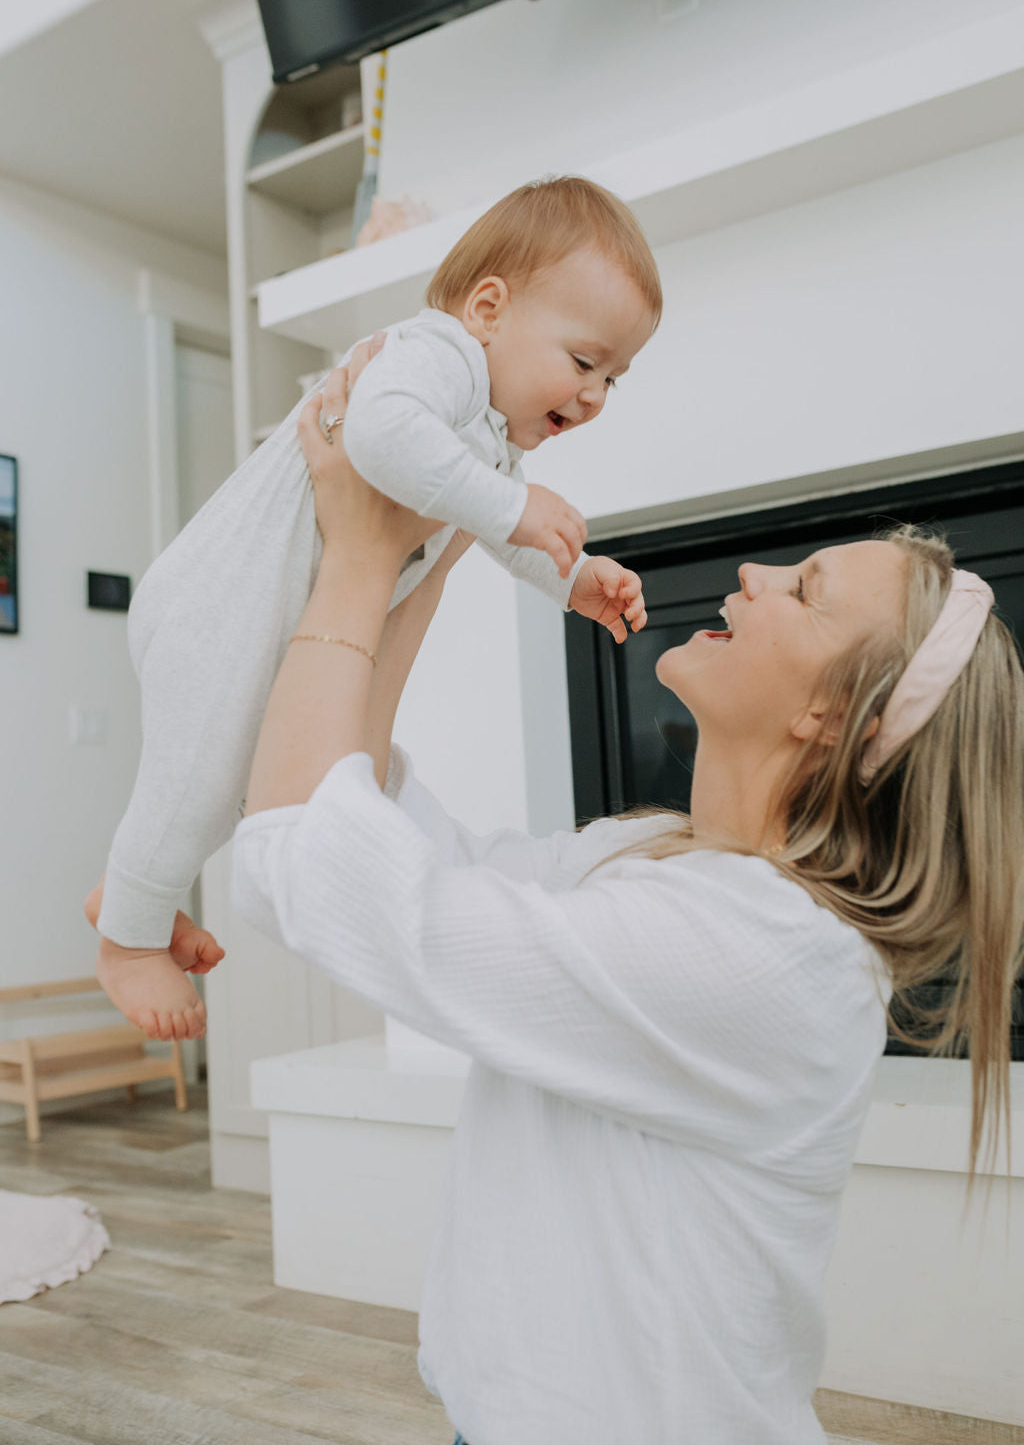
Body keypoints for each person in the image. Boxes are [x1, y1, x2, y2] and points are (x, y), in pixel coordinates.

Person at [229, 345, 1023, 1445]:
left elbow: (307, 856)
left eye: (804, 591)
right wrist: (438, 542)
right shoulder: (658, 858)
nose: (751, 576)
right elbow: (373, 823)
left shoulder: (767, 956)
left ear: (832, 719)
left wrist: (357, 569)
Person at [86, 176, 662, 1039]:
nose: (592, 397)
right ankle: (126, 944)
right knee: (203, 774)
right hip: (219, 606)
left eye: (615, 379)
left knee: (271, 772)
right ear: (489, 308)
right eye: (584, 362)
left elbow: (489, 526)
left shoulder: (488, 438)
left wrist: (568, 577)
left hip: (270, 622)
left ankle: (136, 892)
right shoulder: (437, 359)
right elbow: (381, 438)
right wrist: (512, 508)